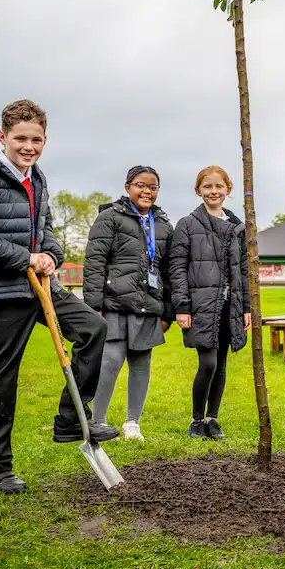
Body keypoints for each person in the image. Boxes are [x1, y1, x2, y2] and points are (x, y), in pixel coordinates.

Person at [0, 99, 117, 495]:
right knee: (2, 378)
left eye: (36, 139)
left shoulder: (36, 177)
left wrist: (51, 255)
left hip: (39, 284)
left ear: (45, 140)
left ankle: (71, 419)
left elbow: (47, 230)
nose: (29, 146)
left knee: (93, 328)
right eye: (20, 138)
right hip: (0, 289)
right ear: (1, 137)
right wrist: (24, 257)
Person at [83, 165, 174, 441]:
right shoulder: (109, 218)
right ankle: (97, 421)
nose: (146, 191)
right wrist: (94, 305)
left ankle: (132, 423)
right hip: (114, 304)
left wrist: (167, 310)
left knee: (141, 364)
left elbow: (170, 271)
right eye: (140, 185)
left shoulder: (164, 225)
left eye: (152, 186)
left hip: (148, 306)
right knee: (109, 362)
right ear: (127, 188)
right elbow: (94, 263)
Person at [168, 165, 251, 440]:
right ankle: (195, 420)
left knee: (222, 364)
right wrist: (182, 305)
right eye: (207, 186)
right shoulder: (187, 225)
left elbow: (245, 271)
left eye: (219, 186)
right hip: (201, 305)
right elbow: (177, 268)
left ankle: (212, 419)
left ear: (228, 189)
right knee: (208, 363)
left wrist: (247, 308)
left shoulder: (238, 227)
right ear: (198, 191)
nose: (213, 191)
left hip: (229, 307)